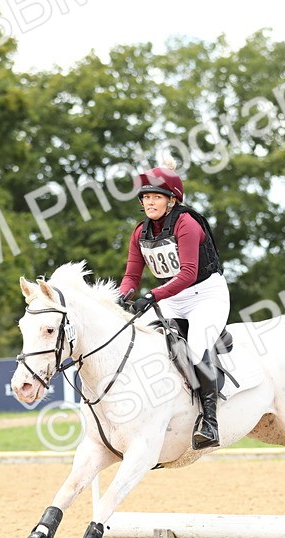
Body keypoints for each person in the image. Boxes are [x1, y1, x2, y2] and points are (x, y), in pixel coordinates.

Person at [120, 157, 229, 450]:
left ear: (171, 201)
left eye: (157, 197)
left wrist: (152, 296)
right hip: (172, 298)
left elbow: (189, 273)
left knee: (195, 344)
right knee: (139, 340)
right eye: (146, 197)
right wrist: (121, 297)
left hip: (206, 295)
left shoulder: (187, 224)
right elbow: (132, 274)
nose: (150, 202)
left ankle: (209, 421)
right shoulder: (139, 232)